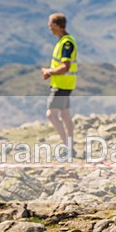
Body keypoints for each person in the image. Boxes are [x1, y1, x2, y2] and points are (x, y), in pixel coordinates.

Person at [42, 12, 78, 159]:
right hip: (63, 84)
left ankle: (67, 147)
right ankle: (70, 146)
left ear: (57, 25)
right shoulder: (63, 41)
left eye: (50, 24)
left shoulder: (66, 43)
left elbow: (65, 66)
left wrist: (49, 72)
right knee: (65, 115)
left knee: (51, 115)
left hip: (62, 84)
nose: (49, 27)